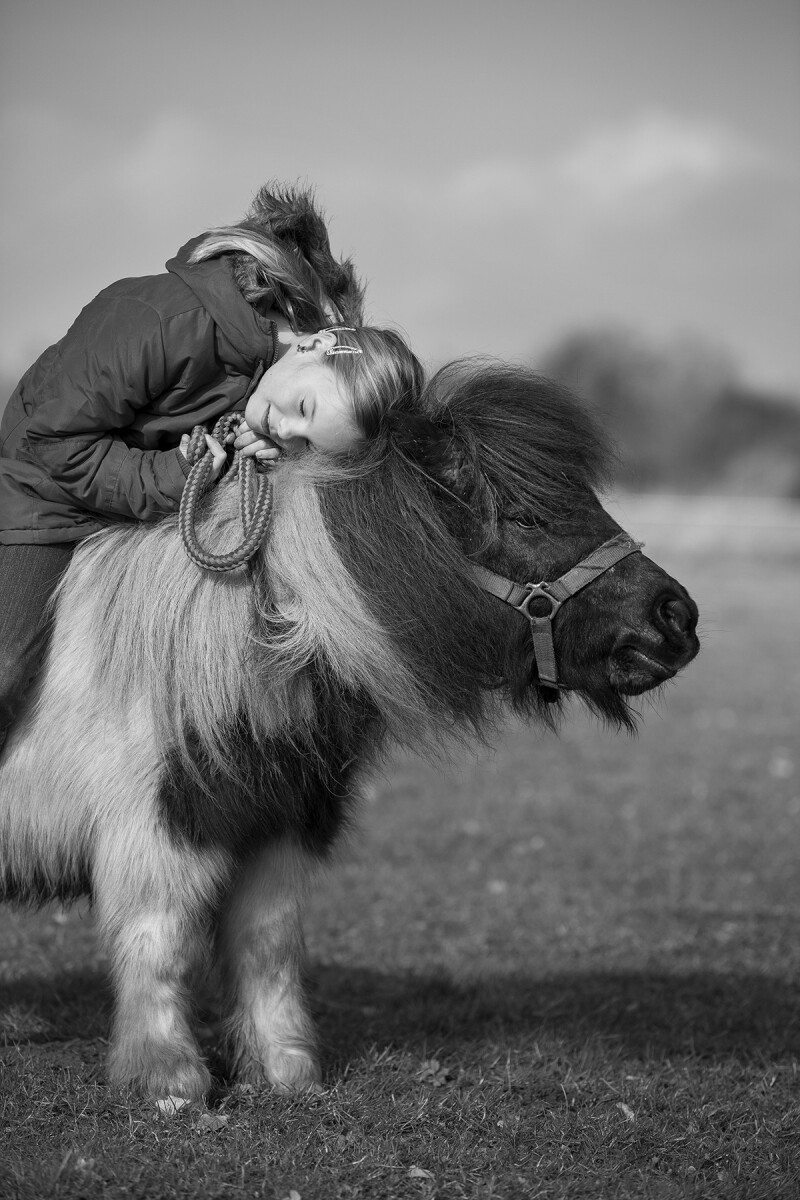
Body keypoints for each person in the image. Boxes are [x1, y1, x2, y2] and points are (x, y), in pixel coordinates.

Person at [0, 183, 424, 751]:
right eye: (302, 410)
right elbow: (53, 442)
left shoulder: (266, 382)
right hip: (40, 502)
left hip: (123, 507)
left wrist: (258, 463)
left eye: (304, 442)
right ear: (312, 346)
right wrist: (179, 476)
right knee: (6, 670)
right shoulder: (160, 320)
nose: (286, 429)